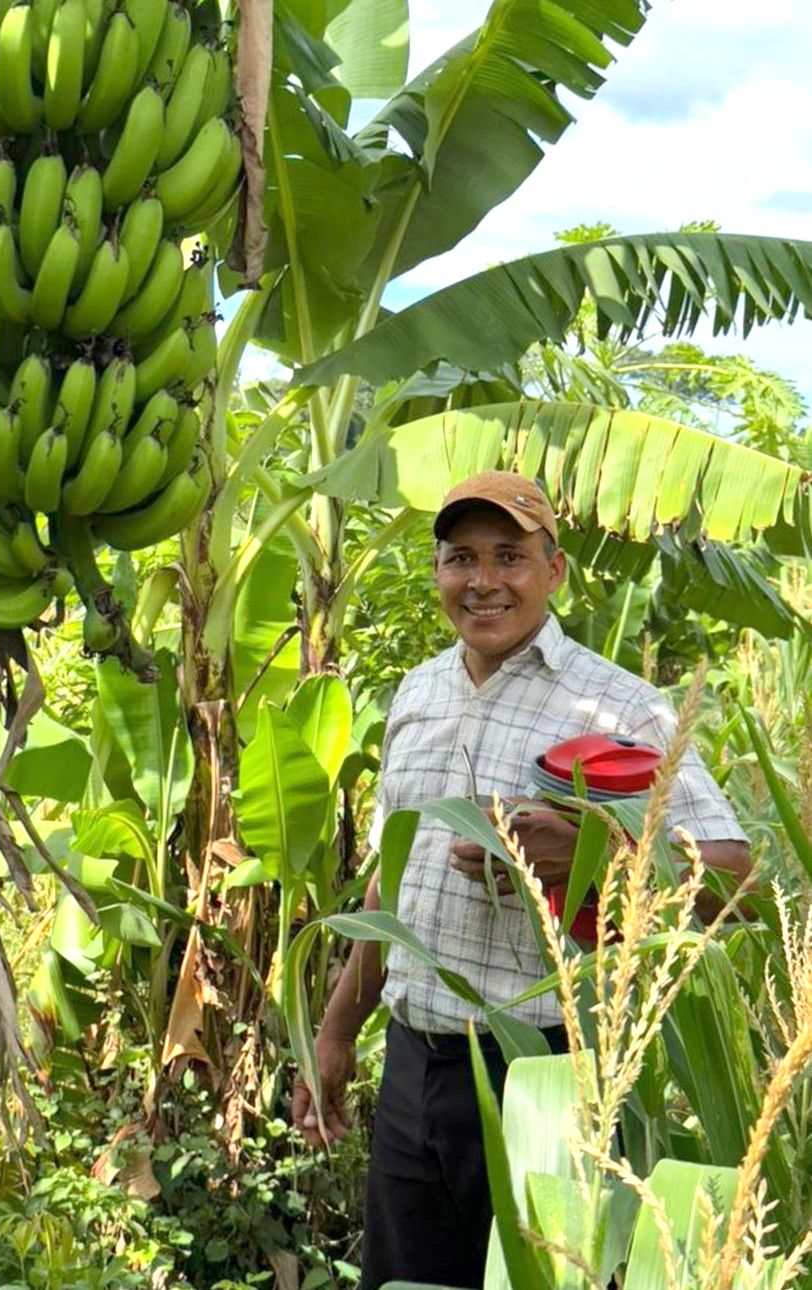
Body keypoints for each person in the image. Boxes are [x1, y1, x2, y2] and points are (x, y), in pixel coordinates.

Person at [291, 471, 751, 1290]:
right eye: (459, 558)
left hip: (542, 1072)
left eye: (510, 555)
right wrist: (332, 1037)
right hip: (412, 1068)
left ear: (555, 569)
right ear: (438, 572)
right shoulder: (418, 694)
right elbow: (392, 889)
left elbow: (736, 882)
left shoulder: (619, 707)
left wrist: (594, 859)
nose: (483, 581)